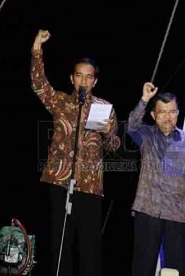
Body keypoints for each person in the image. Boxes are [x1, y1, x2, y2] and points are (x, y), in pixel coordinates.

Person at [30, 29, 121, 276]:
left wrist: (109, 132)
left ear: (95, 81)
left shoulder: (104, 108)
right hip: (60, 181)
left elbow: (114, 146)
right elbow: (39, 85)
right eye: (79, 76)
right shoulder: (61, 102)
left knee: (89, 246)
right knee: (60, 242)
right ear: (72, 79)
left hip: (90, 186)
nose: (84, 81)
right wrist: (37, 47)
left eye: (89, 77)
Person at [127, 82, 185, 276]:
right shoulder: (146, 135)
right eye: (162, 112)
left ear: (177, 113)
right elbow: (131, 125)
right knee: (142, 268)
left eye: (172, 111)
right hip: (147, 210)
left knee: (176, 270)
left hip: (177, 213)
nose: (167, 117)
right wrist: (144, 99)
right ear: (154, 115)